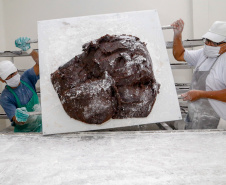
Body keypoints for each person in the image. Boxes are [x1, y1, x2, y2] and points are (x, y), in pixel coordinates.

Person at [171, 19, 226, 129]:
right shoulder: (204, 53)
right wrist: (177, 35)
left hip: (218, 124)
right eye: (207, 41)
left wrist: (201, 94)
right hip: (196, 117)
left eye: (214, 43)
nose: (209, 45)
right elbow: (179, 55)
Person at [0, 37, 42, 132]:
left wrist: (29, 50)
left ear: (17, 70)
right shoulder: (5, 97)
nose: (13, 76)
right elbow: (17, 120)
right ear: (2, 80)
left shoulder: (27, 78)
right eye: (8, 76)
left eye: (14, 73)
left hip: (41, 127)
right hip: (24, 134)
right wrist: (19, 118)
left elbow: (40, 63)